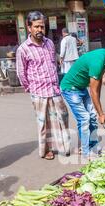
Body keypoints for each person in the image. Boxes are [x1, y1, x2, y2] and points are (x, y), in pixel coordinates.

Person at [16, 12, 71, 160]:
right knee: (44, 124)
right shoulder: (23, 49)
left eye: (42, 26)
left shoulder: (50, 43)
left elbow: (53, 64)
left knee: (62, 117)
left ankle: (64, 146)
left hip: (54, 89)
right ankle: (47, 150)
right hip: (38, 92)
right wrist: (31, 88)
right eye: (36, 26)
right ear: (29, 28)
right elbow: (21, 73)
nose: (40, 29)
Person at [60, 39, 105, 158]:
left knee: (92, 116)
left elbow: (98, 84)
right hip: (70, 88)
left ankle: (92, 145)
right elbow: (93, 91)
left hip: (81, 87)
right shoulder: (98, 61)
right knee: (84, 118)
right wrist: (101, 113)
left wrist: (98, 109)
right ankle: (87, 153)